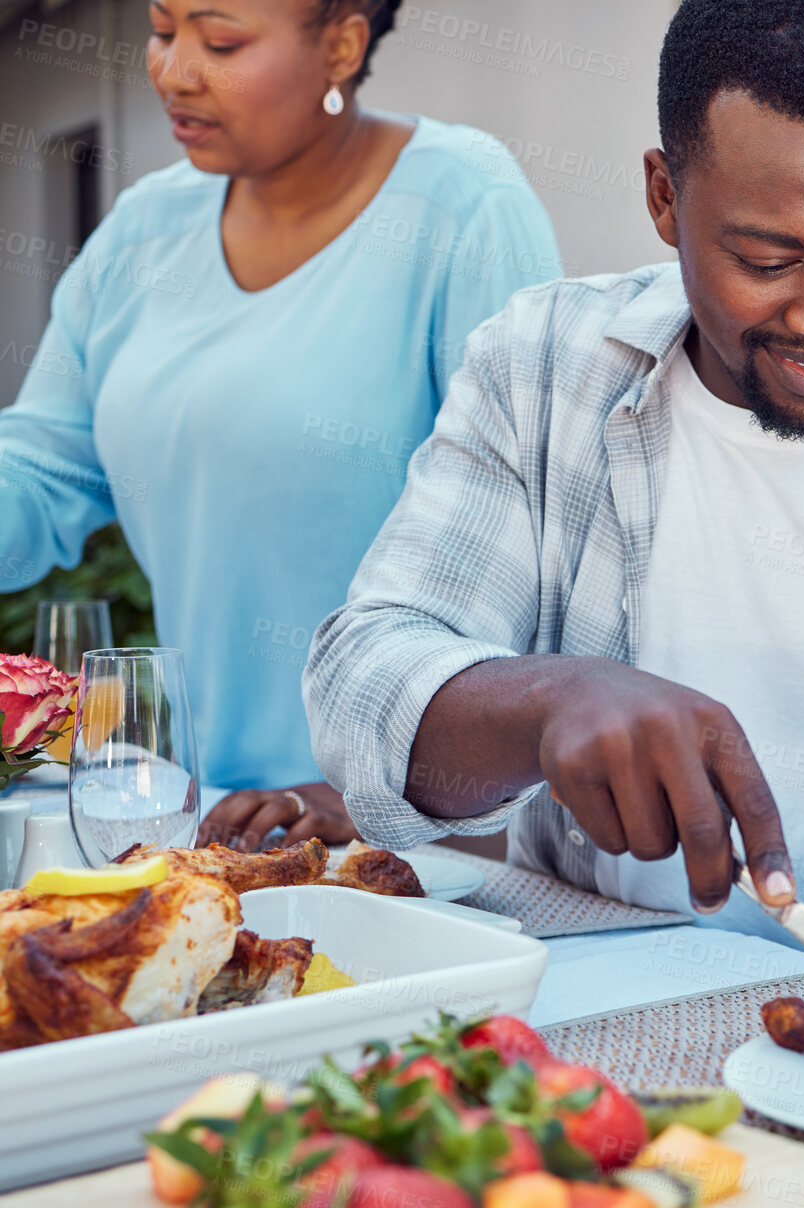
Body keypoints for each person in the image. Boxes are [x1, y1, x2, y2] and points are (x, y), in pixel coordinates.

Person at [304, 0, 804, 944]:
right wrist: (551, 701)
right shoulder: (545, 368)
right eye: (769, 258)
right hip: (594, 1017)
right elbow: (362, 684)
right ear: (664, 198)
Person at [0, 0, 559, 850]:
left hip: (425, 840)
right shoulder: (142, 231)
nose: (174, 69)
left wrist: (374, 781)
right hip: (211, 815)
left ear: (340, 45)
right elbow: (44, 472)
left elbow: (535, 535)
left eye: (220, 40)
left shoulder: (463, 207)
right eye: (160, 28)